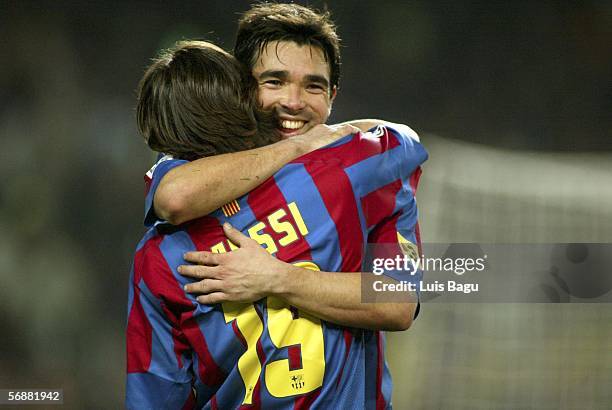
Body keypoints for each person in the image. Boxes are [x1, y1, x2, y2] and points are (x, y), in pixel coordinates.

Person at [126, 41, 427, 408]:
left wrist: (277, 277)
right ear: (244, 98)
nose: (293, 102)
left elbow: (155, 393)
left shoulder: (157, 256)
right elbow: (404, 145)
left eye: (312, 86)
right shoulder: (339, 178)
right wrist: (335, 139)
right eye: (274, 82)